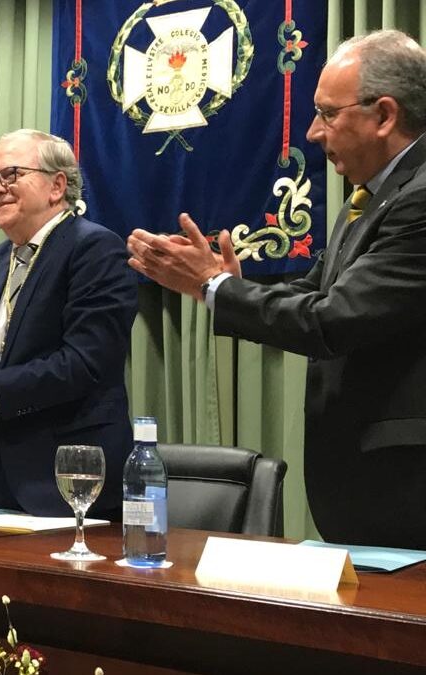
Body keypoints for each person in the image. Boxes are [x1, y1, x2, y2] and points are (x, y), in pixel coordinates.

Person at [126, 30, 426, 549]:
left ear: (384, 115)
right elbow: (310, 294)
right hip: (368, 495)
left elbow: (331, 319)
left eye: (328, 114)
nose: (312, 132)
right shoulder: (372, 198)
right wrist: (222, 286)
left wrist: (212, 284)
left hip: (404, 494)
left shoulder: (418, 201)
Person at [0, 129, 137, 519]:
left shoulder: (96, 249)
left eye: (11, 175)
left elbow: (86, 362)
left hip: (73, 480)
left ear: (57, 186)